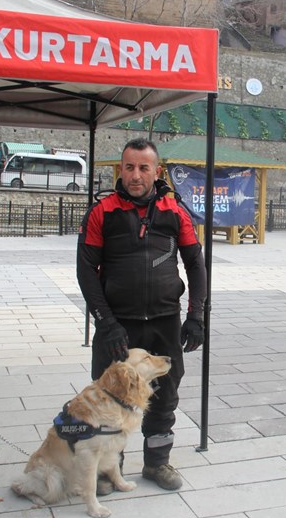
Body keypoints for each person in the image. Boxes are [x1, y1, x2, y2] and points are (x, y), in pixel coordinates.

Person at [77, 137, 206, 492]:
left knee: (164, 396)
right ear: (121, 169)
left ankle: (157, 463)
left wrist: (196, 316)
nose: (136, 175)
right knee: (108, 399)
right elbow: (86, 270)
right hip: (117, 324)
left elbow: (195, 263)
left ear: (157, 171)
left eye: (143, 168)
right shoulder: (102, 212)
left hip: (164, 322)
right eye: (129, 167)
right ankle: (106, 471)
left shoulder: (174, 211)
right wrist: (107, 323)